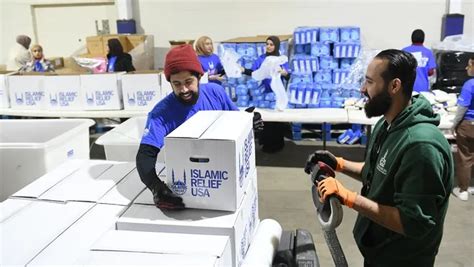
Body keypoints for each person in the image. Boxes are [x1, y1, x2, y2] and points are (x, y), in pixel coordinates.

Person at [305, 49, 453, 266]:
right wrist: (339, 164)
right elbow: (379, 172)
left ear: (394, 86)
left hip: (403, 258)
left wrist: (349, 197)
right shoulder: (386, 125)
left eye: (369, 82)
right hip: (381, 249)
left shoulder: (421, 146)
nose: (362, 89)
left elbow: (413, 222)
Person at [136, 44, 263, 210]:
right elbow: (145, 155)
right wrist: (156, 187)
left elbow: (235, 121)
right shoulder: (161, 113)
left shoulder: (216, 93)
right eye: (177, 84)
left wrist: (249, 122)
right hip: (188, 180)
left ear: (199, 76)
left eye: (188, 82)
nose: (184, 89)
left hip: (223, 170)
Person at [241, 36, 291, 153]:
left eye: (271, 44)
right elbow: (254, 72)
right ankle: (267, 144)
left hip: (277, 95)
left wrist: (282, 71)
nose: (268, 46)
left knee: (277, 121)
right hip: (264, 95)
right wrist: (243, 70)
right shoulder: (261, 59)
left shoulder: (281, 59)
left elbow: (288, 75)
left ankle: (278, 144)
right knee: (267, 121)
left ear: (276, 46)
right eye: (267, 44)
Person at [451, 55, 474, 201]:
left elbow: (462, 108)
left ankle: (464, 190)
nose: (466, 68)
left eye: (469, 65)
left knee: (464, 157)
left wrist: (454, 125)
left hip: (468, 125)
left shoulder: (469, 85)